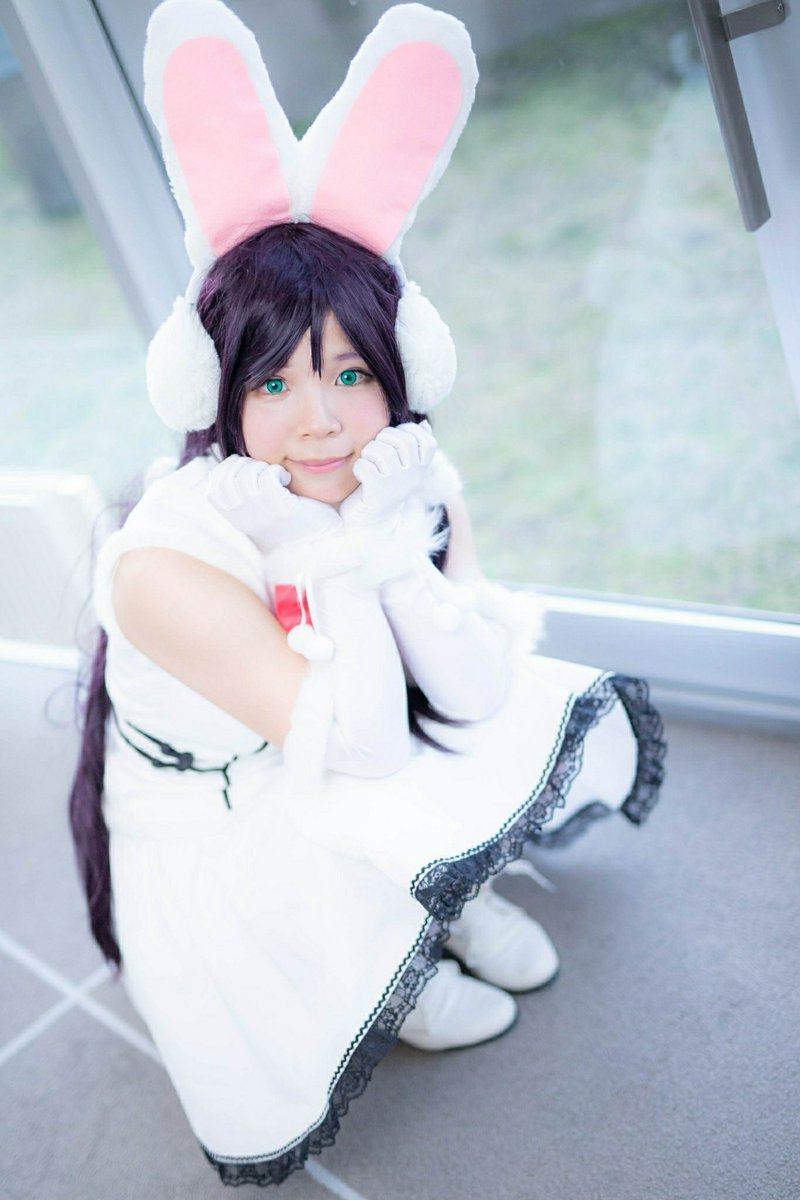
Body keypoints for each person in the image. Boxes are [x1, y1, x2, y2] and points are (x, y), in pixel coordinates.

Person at [68, 0, 666, 1187]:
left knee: (472, 693)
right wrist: (349, 567)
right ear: (213, 392)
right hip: (232, 808)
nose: (322, 421)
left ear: (404, 370)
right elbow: (361, 752)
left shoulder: (398, 470)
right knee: (356, 784)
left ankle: (443, 893)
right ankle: (399, 953)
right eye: (274, 384)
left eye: (352, 373)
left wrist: (389, 553)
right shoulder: (166, 565)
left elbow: (472, 677)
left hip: (352, 722)